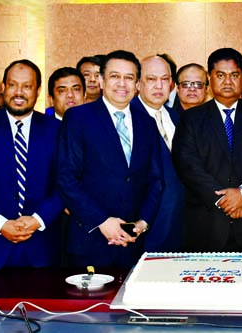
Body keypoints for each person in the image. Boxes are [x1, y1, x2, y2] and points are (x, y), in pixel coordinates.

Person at [56, 50, 163, 268]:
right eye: (115, 76)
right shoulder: (78, 118)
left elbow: (155, 181)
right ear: (102, 81)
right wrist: (102, 221)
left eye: (129, 77)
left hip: (131, 242)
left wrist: (142, 223)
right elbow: (66, 177)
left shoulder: (147, 124)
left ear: (137, 85)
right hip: (89, 241)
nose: (122, 84)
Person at [172, 47, 242, 252]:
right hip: (206, 227)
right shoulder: (191, 119)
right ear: (210, 78)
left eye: (234, 75)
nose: (227, 81)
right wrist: (225, 200)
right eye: (220, 75)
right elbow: (187, 165)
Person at [0, 59, 63, 272]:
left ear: (38, 90)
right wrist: (0, 224)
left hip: (43, 248)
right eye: (13, 84)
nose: (19, 92)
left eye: (27, 86)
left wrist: (36, 220)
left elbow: (65, 183)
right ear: (4, 87)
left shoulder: (57, 130)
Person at [134, 55, 184, 252]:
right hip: (144, 230)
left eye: (164, 79)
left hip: (178, 228)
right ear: (138, 84)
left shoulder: (177, 118)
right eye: (151, 79)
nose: (159, 86)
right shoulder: (128, 119)